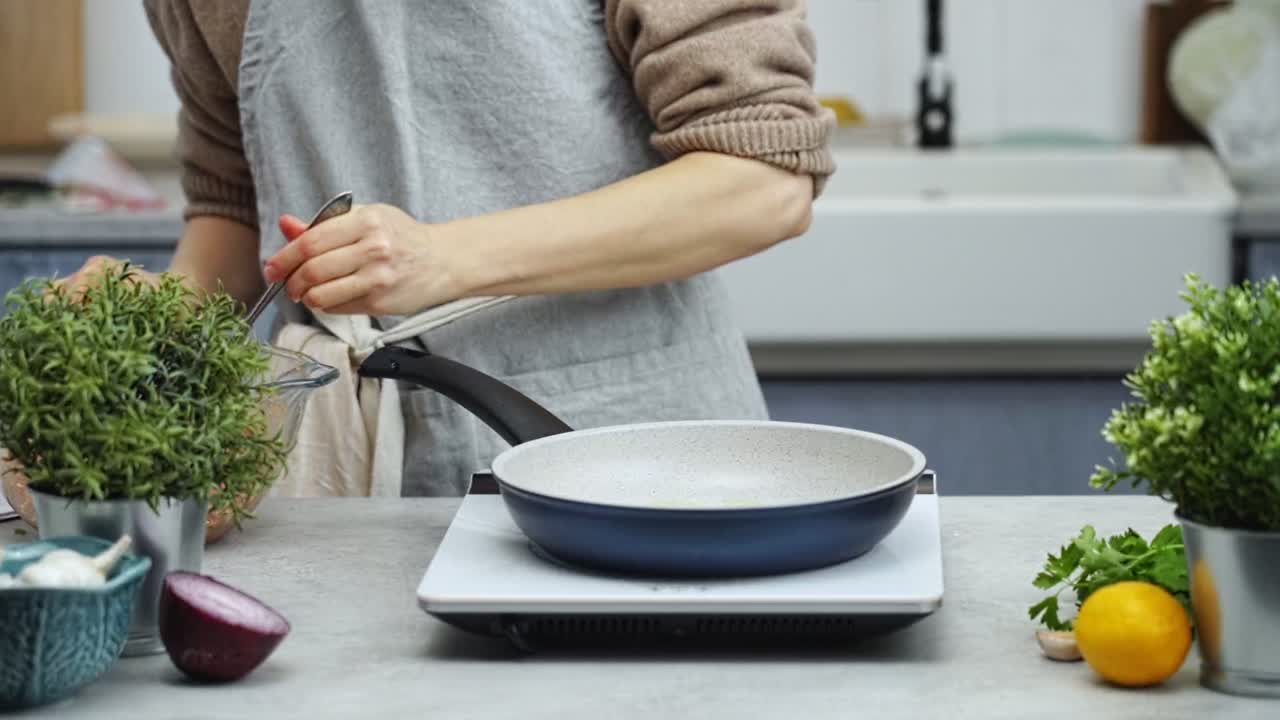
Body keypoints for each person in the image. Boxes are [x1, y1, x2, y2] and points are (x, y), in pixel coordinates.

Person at [65, 0, 835, 495]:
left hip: (632, 456)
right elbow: (233, 204)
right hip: (346, 474)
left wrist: (442, 260)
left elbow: (762, 181)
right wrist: (154, 313)